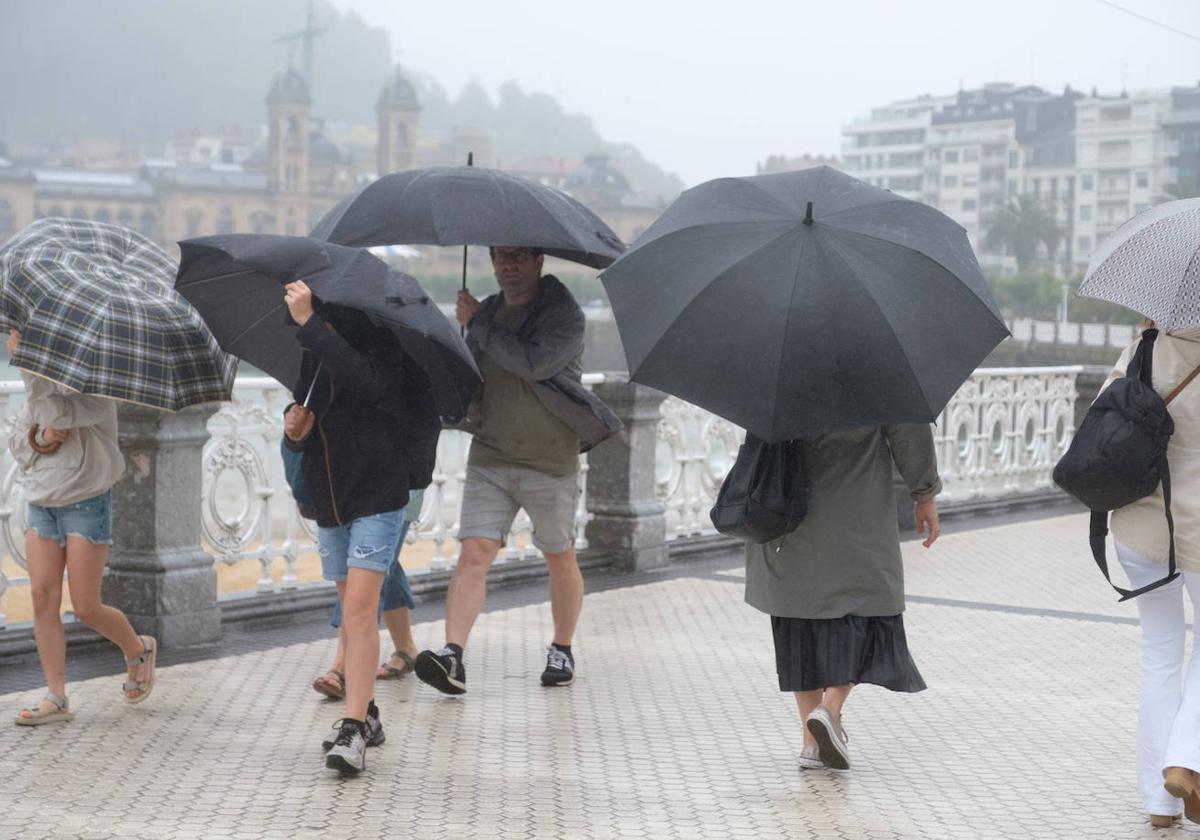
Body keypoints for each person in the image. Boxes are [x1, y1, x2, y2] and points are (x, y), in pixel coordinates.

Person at [414, 246, 621, 695]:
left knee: (559, 556)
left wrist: (478, 325)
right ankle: (452, 654)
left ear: (538, 261)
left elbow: (533, 364)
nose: (508, 266)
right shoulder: (486, 311)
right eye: (500, 258)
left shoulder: (565, 314)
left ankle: (561, 646)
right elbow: (472, 374)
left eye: (518, 257)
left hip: (550, 460)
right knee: (474, 554)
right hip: (491, 455)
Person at [281, 282, 439, 774]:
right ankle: (368, 714)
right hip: (330, 495)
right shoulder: (317, 343)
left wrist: (311, 325)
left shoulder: (387, 342)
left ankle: (352, 731)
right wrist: (295, 426)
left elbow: (368, 383)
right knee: (352, 609)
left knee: (360, 605)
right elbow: (313, 409)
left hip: (379, 492)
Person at [744, 424, 941, 771]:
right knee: (868, 610)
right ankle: (830, 709)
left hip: (787, 513)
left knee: (798, 619)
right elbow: (907, 427)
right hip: (857, 510)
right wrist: (924, 493)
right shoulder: (877, 371)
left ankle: (811, 744)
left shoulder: (780, 371)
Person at [8, 328, 156, 725]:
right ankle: (56, 697)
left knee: (86, 606)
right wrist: (40, 436)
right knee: (42, 597)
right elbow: (19, 443)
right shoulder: (41, 379)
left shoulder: (98, 385)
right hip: (42, 499)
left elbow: (58, 412)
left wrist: (26, 367)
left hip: (86, 499)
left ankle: (138, 648)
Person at [1102, 324, 1200, 828]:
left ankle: (1159, 806)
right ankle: (1184, 762)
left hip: (1141, 528)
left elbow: (1102, 421)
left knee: (1159, 656)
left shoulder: (1145, 347)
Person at [311, 489, 424, 699]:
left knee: (362, 577)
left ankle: (343, 664)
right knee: (378, 564)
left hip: (394, 491)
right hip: (343, 491)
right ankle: (406, 647)